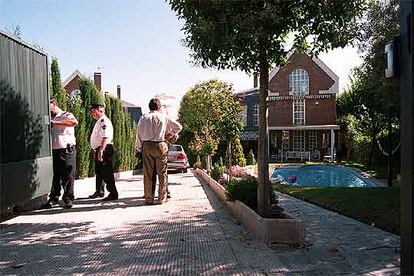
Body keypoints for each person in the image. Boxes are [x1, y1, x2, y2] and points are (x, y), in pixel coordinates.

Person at [136, 98, 182, 205]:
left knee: (148, 174)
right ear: (159, 107)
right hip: (161, 145)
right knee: (162, 173)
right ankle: (162, 198)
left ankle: (149, 199)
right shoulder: (163, 117)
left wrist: (138, 148)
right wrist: (170, 134)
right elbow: (179, 126)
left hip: (147, 145)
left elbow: (139, 134)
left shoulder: (143, 117)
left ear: (149, 107)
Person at [42, 98, 77, 209]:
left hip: (67, 150)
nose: (48, 109)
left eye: (49, 106)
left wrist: (56, 123)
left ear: (54, 104)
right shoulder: (49, 117)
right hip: (55, 151)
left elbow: (74, 122)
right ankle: (54, 198)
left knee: (68, 175)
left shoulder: (66, 114)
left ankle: (67, 198)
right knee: (55, 176)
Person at [89, 103, 119, 201]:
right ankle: (99, 191)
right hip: (100, 148)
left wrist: (101, 150)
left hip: (104, 148)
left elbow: (105, 137)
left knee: (107, 172)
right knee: (99, 172)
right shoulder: (99, 121)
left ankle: (113, 193)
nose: (92, 113)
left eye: (93, 111)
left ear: (99, 110)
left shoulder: (103, 121)